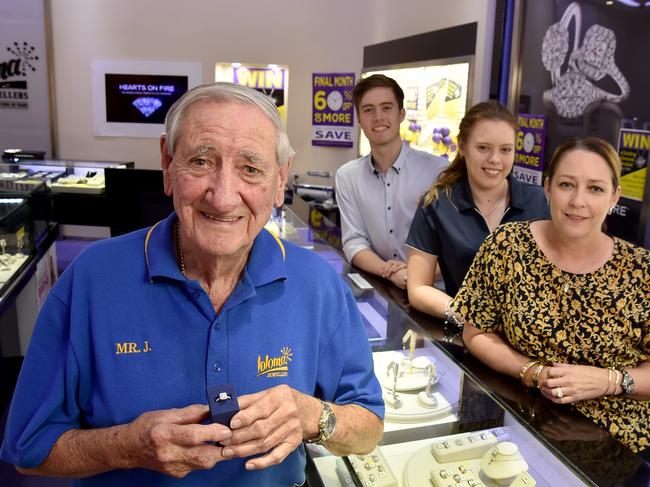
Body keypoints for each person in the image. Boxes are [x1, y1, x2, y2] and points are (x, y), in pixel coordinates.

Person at [0, 83, 384, 485]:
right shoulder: (90, 280)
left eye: (250, 169)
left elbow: (369, 427)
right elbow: (29, 447)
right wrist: (127, 446)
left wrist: (312, 416)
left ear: (279, 181)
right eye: (201, 161)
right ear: (168, 164)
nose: (222, 197)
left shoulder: (319, 285)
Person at [454, 137, 650, 452]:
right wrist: (531, 371)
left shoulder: (642, 270)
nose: (578, 201)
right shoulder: (508, 246)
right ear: (547, 188)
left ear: (615, 197)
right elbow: (474, 333)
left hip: (614, 445)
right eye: (567, 185)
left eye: (595, 189)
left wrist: (608, 381)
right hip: (517, 426)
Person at [406, 101, 549, 321]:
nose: (495, 159)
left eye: (506, 150)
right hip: (469, 337)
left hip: (536, 336)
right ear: (462, 147)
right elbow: (418, 289)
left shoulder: (540, 202)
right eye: (483, 148)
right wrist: (468, 315)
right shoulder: (436, 204)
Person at [335, 74, 447, 290]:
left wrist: (413, 277)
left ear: (401, 114)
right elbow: (353, 242)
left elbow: (452, 245)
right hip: (383, 289)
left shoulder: (438, 172)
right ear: (359, 119)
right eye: (368, 110)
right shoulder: (347, 176)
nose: (378, 117)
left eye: (386, 108)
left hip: (436, 293)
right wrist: (391, 273)